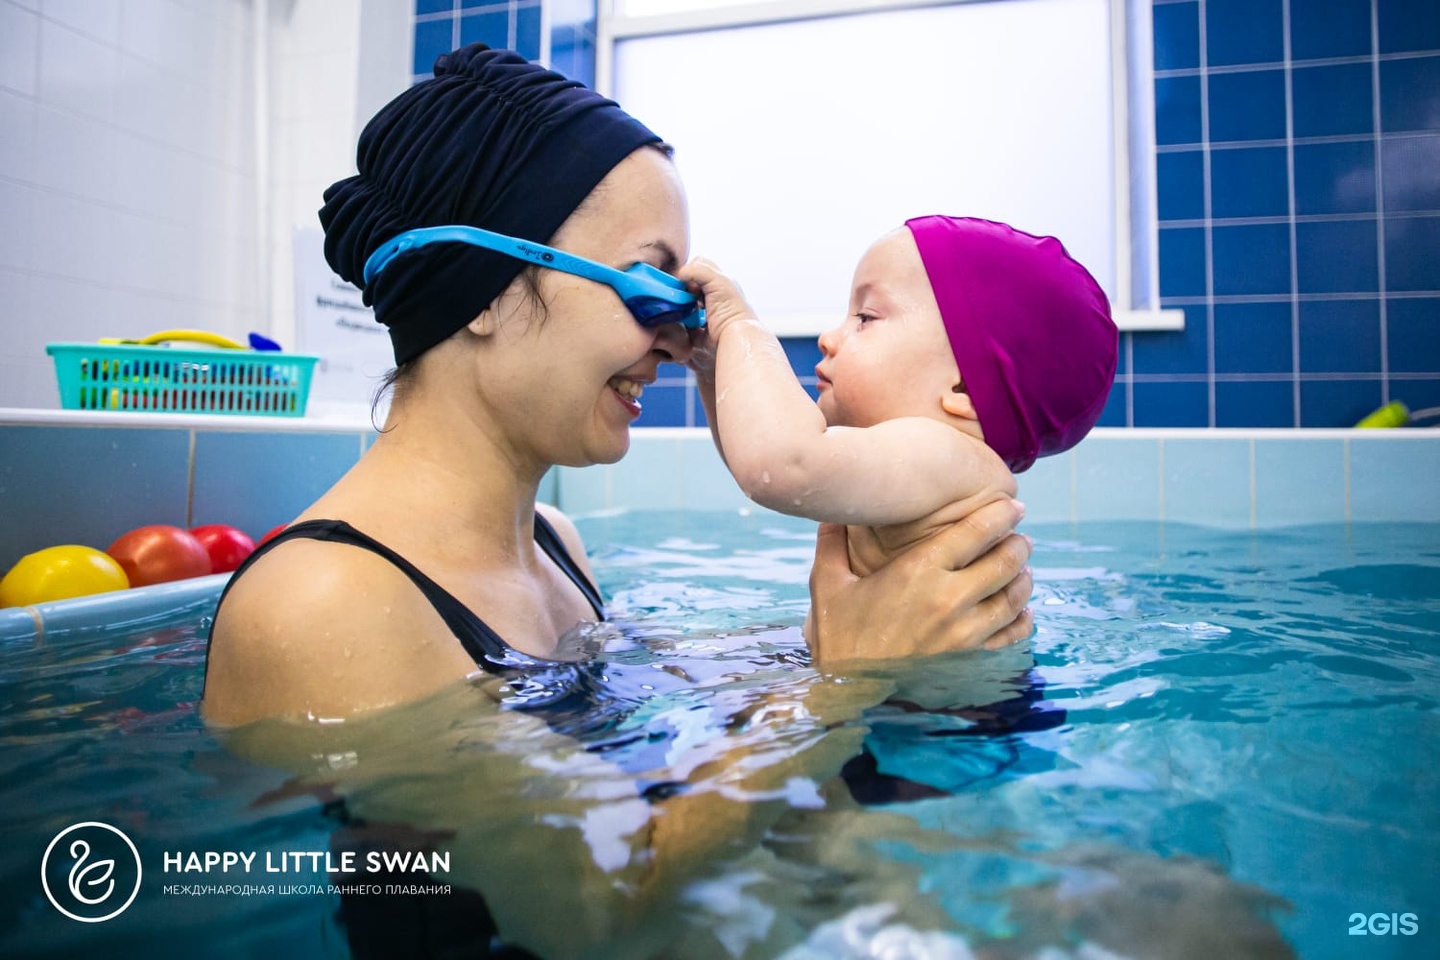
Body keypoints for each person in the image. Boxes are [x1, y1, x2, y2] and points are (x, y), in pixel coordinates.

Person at [199, 44, 1032, 731]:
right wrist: (851, 684)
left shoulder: (554, 546)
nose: (676, 344)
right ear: (487, 290)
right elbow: (602, 900)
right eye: (650, 290)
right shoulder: (323, 602)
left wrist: (907, 626)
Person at [680, 217, 1117, 614]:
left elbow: (782, 465)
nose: (828, 338)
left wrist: (740, 324)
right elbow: (761, 457)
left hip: (961, 705)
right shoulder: (916, 463)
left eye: (865, 318)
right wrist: (711, 366)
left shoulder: (952, 458)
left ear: (963, 388)